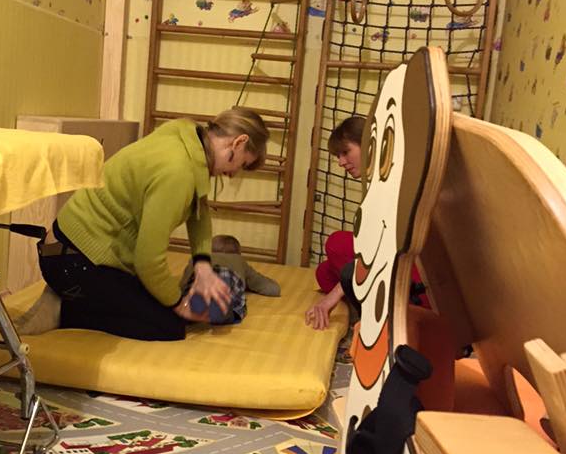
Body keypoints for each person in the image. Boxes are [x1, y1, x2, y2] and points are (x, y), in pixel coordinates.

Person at [17, 108, 269, 341]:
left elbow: (199, 212)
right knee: (169, 326)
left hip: (65, 249)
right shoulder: (178, 171)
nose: (234, 174)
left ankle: (71, 293)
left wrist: (203, 265)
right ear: (239, 142)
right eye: (242, 164)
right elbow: (148, 261)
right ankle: (66, 308)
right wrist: (179, 305)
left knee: (159, 303)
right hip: (74, 261)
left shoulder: (185, 136)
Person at [305, 114, 427, 330]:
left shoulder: (395, 179)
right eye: (338, 156)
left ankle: (384, 312)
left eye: (345, 152)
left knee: (336, 243)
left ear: (369, 144)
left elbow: (383, 251)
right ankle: (364, 299)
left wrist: (332, 298)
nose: (341, 162)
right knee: (323, 273)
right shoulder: (375, 182)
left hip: (413, 271)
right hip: (385, 263)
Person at [179, 233, 281, 324]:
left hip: (200, 285)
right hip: (227, 282)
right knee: (229, 285)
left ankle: (194, 307)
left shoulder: (198, 260)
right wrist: (247, 283)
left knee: (192, 288)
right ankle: (222, 307)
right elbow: (271, 288)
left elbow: (182, 285)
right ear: (238, 253)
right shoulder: (239, 260)